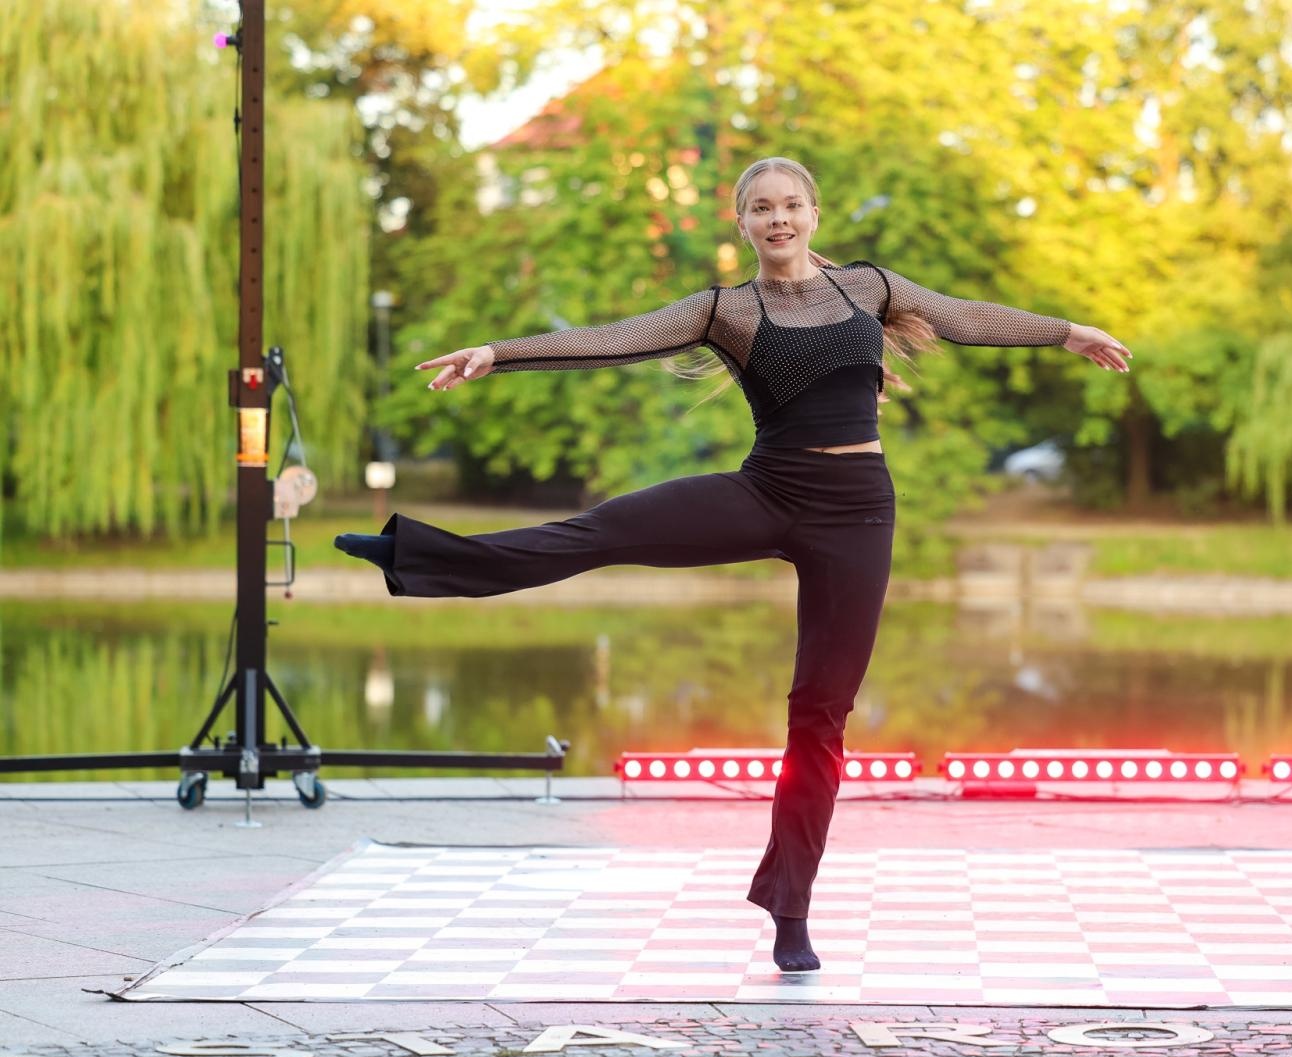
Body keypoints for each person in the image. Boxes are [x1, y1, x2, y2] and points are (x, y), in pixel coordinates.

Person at [335, 156, 1132, 972]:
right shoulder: (728, 310)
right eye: (760, 208)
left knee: (820, 716)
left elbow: (963, 316)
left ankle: (791, 913)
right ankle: (413, 554)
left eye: (790, 205)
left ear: (814, 213)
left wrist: (1067, 332)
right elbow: (609, 342)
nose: (777, 219)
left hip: (857, 511)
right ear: (742, 222)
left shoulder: (871, 288)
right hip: (766, 491)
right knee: (599, 531)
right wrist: (499, 354)